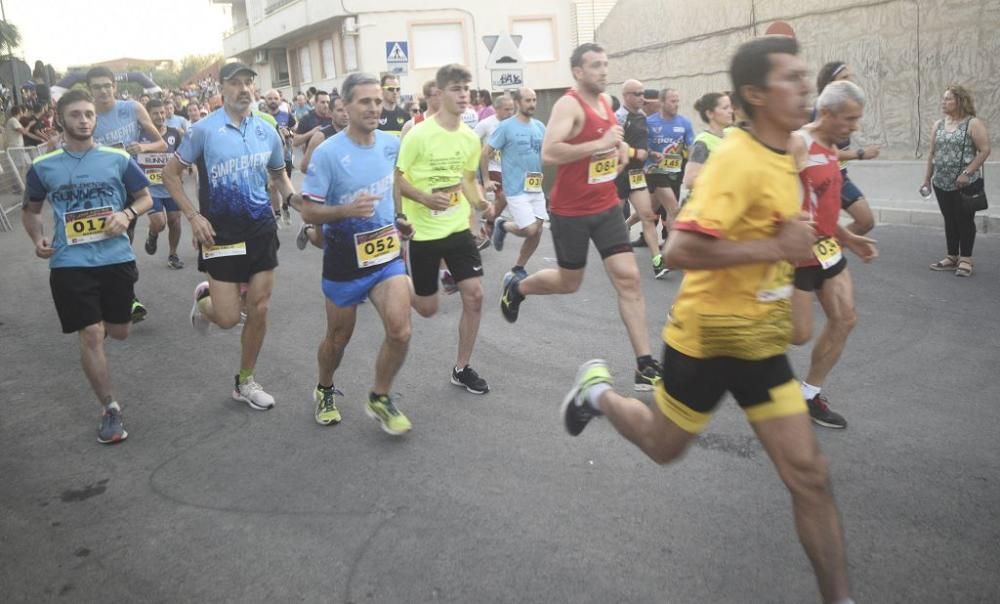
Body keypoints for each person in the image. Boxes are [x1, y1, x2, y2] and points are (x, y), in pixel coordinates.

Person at [559, 36, 854, 604]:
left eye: (806, 76)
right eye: (791, 78)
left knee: (809, 477)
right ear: (754, 94)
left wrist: (810, 262)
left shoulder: (789, 149)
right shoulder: (733, 161)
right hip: (708, 337)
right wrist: (774, 248)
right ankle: (596, 394)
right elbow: (682, 251)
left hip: (760, 344)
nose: (805, 86)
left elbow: (795, 223)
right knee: (663, 446)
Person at [498, 43, 662, 391]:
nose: (604, 71)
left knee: (629, 278)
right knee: (570, 282)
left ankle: (644, 365)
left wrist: (618, 151)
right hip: (571, 211)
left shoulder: (605, 102)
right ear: (578, 72)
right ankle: (518, 287)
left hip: (605, 207)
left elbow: (612, 141)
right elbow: (550, 152)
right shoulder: (568, 105)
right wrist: (598, 143)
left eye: (606, 63)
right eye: (596, 66)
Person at [162, 62, 297, 411]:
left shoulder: (267, 130)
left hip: (260, 229)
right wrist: (193, 216)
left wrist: (296, 200)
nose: (243, 89)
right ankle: (205, 302)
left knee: (260, 307)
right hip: (220, 234)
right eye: (235, 83)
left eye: (248, 83)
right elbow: (170, 175)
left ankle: (245, 381)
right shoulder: (202, 131)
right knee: (225, 319)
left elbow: (279, 175)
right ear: (221, 89)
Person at [21, 89, 154, 444]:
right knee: (92, 333)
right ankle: (110, 408)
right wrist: (38, 239)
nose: (84, 120)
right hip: (69, 262)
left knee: (120, 331)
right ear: (60, 119)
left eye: (89, 114)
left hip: (116, 258)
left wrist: (126, 214)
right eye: (76, 114)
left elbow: (145, 198)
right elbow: (31, 212)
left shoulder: (117, 159)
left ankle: (96, 330)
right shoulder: (42, 167)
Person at [295, 73, 414, 434]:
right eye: (365, 101)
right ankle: (325, 387)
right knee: (337, 339)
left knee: (401, 331)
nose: (374, 108)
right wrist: (346, 211)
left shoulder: (391, 144)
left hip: (386, 257)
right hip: (344, 261)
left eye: (378, 101)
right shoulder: (329, 153)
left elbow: (392, 187)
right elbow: (308, 211)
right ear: (345, 107)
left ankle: (380, 396)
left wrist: (399, 220)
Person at [396, 63, 495, 395]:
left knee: (475, 295)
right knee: (427, 309)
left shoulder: (468, 138)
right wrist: (423, 198)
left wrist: (480, 204)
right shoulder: (418, 134)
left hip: (456, 230)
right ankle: (397, 285)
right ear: (439, 93)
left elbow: (467, 180)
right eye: (456, 88)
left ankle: (461, 368)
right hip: (423, 233)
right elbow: (397, 179)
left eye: (466, 88)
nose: (464, 94)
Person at [789, 81, 879, 429]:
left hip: (826, 248)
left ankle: (808, 395)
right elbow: (773, 198)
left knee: (845, 319)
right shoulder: (798, 143)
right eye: (849, 119)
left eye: (857, 119)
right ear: (826, 113)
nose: (854, 127)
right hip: (795, 255)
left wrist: (848, 236)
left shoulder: (831, 147)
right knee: (798, 335)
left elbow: (824, 203)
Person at [87, 66, 166, 323]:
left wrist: (142, 146)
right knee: (113, 239)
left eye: (107, 85)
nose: (103, 90)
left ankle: (122, 293)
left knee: (123, 238)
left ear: (115, 87)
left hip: (132, 186)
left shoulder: (131, 108)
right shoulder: (86, 116)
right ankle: (123, 294)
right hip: (102, 188)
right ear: (90, 91)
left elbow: (161, 143)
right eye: (97, 86)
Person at [922, 85, 991, 277]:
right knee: (949, 220)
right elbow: (932, 154)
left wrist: (967, 173)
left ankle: (966, 259)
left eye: (948, 99)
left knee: (964, 220)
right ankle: (952, 257)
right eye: (943, 99)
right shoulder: (939, 124)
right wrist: (927, 179)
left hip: (964, 183)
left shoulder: (972, 123)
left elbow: (985, 150)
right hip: (941, 182)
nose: (943, 103)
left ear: (960, 101)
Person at [486, 88, 547, 277]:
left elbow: (545, 153)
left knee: (537, 231)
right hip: (515, 188)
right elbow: (484, 152)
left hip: (536, 186)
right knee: (529, 230)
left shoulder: (539, 126)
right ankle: (502, 225)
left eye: (534, 100)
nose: (532, 104)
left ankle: (518, 267)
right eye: (528, 100)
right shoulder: (506, 127)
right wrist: (486, 179)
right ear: (518, 103)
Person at [814, 62, 879, 235]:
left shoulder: (843, 107)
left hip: (840, 176)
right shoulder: (821, 113)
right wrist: (860, 154)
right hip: (824, 179)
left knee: (866, 222)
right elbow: (824, 152)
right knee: (824, 227)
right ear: (830, 84)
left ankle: (828, 255)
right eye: (844, 78)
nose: (854, 126)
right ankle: (825, 256)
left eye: (851, 77)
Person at [613, 79, 664, 278]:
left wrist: (649, 153)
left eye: (643, 94)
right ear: (626, 96)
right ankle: (615, 254)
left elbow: (641, 147)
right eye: (637, 94)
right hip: (619, 174)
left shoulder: (642, 118)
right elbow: (612, 146)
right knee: (614, 219)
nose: (642, 98)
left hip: (636, 175)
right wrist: (637, 153)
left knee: (647, 216)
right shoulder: (617, 118)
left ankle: (657, 261)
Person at [639, 87, 694, 248]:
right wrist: (653, 153)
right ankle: (672, 247)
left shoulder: (684, 122)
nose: (676, 104)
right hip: (654, 171)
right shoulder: (650, 122)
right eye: (672, 101)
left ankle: (626, 226)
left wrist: (694, 163)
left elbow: (691, 147)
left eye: (677, 101)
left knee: (649, 210)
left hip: (674, 173)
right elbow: (642, 147)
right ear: (661, 102)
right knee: (673, 208)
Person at [138, 99, 185, 269]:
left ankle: (173, 255)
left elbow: (182, 157)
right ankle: (153, 234)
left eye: (162, 112)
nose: (160, 116)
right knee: (159, 223)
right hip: (150, 188)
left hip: (170, 186)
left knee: (175, 220)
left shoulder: (174, 133)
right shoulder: (140, 134)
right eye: (155, 113)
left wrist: (180, 174)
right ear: (148, 115)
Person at [683, 92, 734, 190]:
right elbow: (690, 180)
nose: (731, 111)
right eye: (725, 108)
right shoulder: (703, 142)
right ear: (710, 114)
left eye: (731, 107)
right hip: (713, 201)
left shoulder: (733, 134)